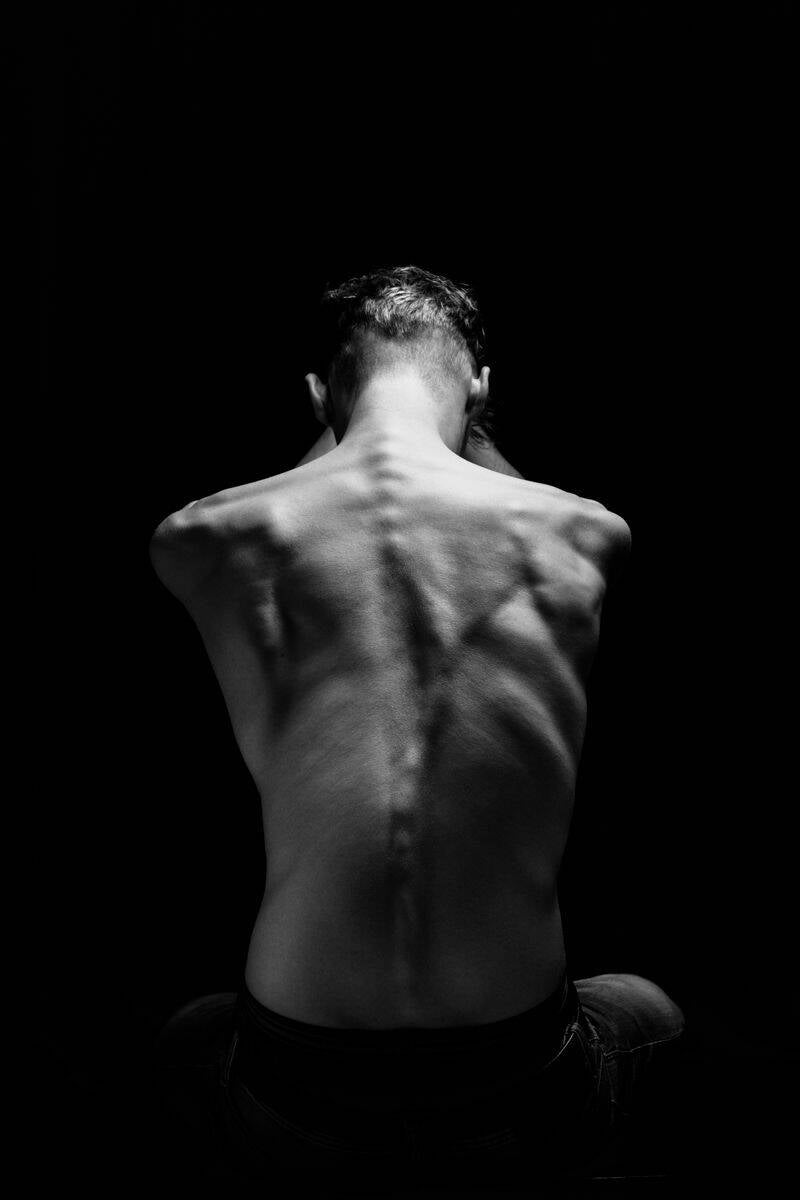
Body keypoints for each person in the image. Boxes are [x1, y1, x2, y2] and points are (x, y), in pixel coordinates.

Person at [150, 265, 684, 1190]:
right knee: (652, 1011)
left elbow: (321, 476)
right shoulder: (588, 534)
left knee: (188, 1032)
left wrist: (343, 425)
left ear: (317, 398)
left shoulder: (201, 539)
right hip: (519, 1078)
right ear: (479, 388)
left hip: (298, 1083)